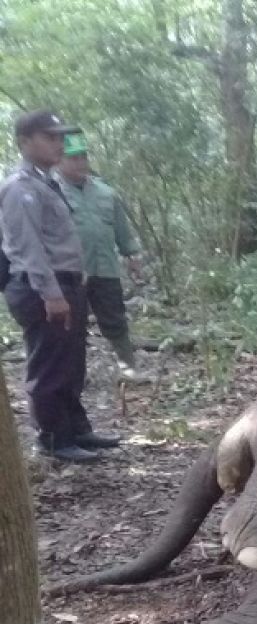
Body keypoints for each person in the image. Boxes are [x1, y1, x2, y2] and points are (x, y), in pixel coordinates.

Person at [1, 110, 121, 462]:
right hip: (42, 289)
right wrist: (50, 293)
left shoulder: (47, 182)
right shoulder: (19, 188)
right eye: (49, 137)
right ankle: (53, 439)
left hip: (66, 285)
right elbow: (29, 247)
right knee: (50, 364)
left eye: (59, 137)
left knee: (71, 361)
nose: (58, 143)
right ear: (25, 142)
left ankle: (76, 429)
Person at [55, 130, 150, 383]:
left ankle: (127, 367)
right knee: (72, 326)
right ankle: (74, 374)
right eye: (73, 158)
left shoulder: (106, 193)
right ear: (59, 160)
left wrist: (133, 256)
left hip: (105, 268)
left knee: (115, 319)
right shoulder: (52, 193)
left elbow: (121, 230)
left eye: (83, 157)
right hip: (71, 272)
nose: (79, 163)